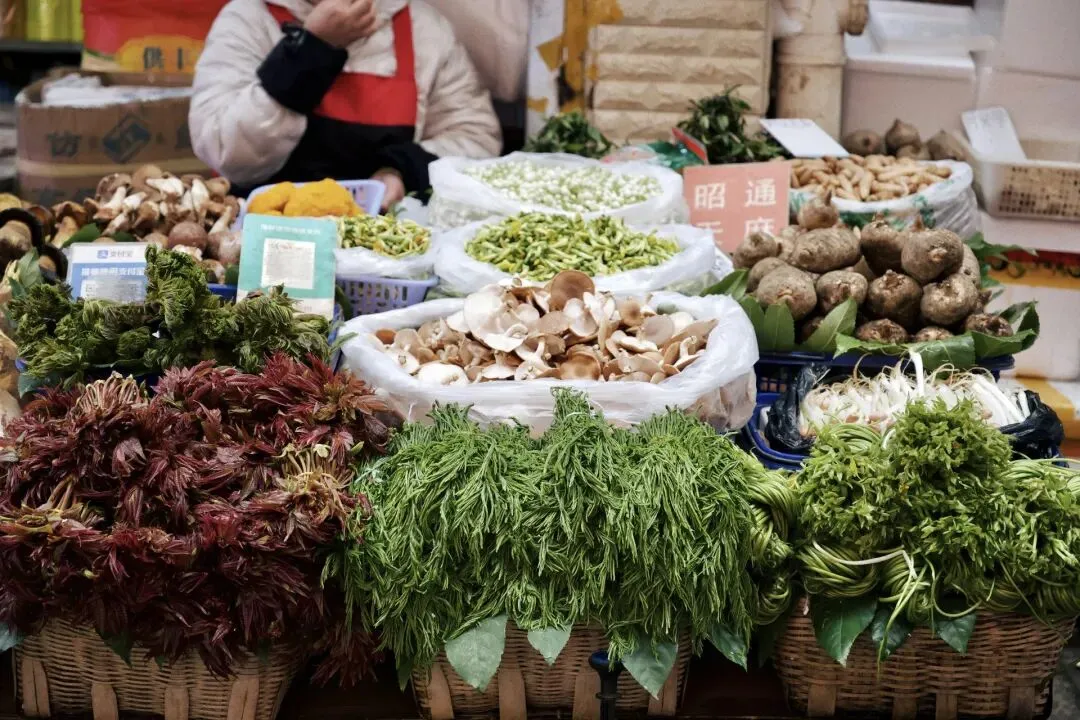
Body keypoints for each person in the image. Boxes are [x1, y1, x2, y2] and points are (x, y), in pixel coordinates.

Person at [189, 0, 502, 209]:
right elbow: (225, 149)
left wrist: (402, 170)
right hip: (266, 245)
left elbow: (476, 136)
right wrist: (312, 48)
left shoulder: (424, 28)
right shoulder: (248, 18)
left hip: (384, 246)